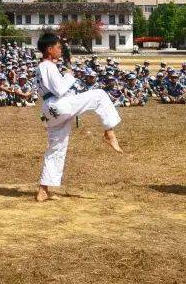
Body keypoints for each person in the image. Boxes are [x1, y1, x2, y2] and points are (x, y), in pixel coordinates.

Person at [36, 32, 122, 202]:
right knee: (99, 95)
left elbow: (58, 86)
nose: (60, 50)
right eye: (58, 48)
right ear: (49, 49)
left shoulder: (43, 67)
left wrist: (67, 66)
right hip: (58, 106)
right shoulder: (47, 66)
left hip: (50, 110)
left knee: (56, 148)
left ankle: (43, 190)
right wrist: (68, 74)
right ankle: (109, 132)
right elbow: (60, 89)